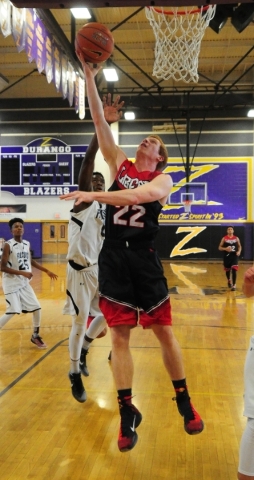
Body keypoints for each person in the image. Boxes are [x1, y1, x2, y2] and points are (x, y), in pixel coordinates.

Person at [60, 62, 204, 453]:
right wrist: (90, 79)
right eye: (143, 140)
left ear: (160, 157)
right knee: (119, 336)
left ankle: (183, 399)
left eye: (152, 143)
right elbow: (98, 124)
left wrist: (94, 195)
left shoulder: (163, 181)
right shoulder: (120, 165)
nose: (145, 143)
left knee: (163, 330)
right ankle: (126, 413)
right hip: (113, 260)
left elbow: (136, 198)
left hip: (144, 258)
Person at [63, 94, 123, 403]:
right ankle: (74, 372)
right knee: (79, 318)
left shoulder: (106, 206)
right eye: (94, 182)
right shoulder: (82, 201)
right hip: (77, 270)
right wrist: (103, 125)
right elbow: (89, 161)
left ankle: (85, 348)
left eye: (101, 183)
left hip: (98, 268)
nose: (98, 184)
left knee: (112, 312)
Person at [0, 217, 58, 348]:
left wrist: (46, 270)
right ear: (11, 230)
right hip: (11, 283)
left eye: (21, 226)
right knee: (12, 310)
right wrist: (22, 273)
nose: (19, 228)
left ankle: (35, 335)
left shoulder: (26, 243)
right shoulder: (8, 245)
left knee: (37, 307)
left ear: (24, 229)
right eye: (16, 226)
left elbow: (30, 261)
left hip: (23, 283)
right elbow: (2, 267)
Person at [218, 226, 242, 291]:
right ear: (227, 231)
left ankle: (234, 285)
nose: (230, 230)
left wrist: (239, 251)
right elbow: (219, 247)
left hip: (234, 255)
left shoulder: (236, 238)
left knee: (234, 269)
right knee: (227, 270)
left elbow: (239, 246)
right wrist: (225, 248)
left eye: (231, 229)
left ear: (233, 231)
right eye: (229, 229)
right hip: (227, 256)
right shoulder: (224, 238)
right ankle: (229, 280)